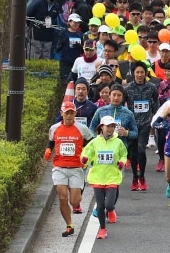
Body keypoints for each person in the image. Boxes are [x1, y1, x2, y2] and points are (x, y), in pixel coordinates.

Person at [45, 101, 95, 236]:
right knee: (62, 197)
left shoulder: (81, 128)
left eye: (71, 113)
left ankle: (76, 193)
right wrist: (48, 149)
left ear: (75, 114)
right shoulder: (54, 128)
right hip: (59, 167)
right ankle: (69, 225)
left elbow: (92, 141)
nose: (69, 116)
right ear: (62, 113)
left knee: (74, 201)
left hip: (76, 168)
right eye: (67, 113)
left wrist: (86, 152)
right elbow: (51, 141)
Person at [80, 115, 128, 239]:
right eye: (107, 126)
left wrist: (122, 162)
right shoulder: (94, 142)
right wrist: (84, 160)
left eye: (112, 126)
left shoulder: (118, 142)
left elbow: (124, 154)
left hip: (112, 177)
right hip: (97, 177)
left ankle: (111, 210)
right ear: (101, 127)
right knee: (100, 206)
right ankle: (102, 229)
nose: (110, 129)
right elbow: (86, 154)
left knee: (109, 205)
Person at [124, 61, 159, 191]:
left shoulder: (151, 87)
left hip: (145, 123)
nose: (139, 75)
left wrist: (157, 118)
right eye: (137, 72)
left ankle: (142, 176)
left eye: (142, 72)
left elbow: (156, 104)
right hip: (132, 124)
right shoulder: (127, 88)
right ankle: (135, 177)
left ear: (146, 73)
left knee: (141, 149)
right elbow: (122, 106)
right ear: (133, 73)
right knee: (133, 152)